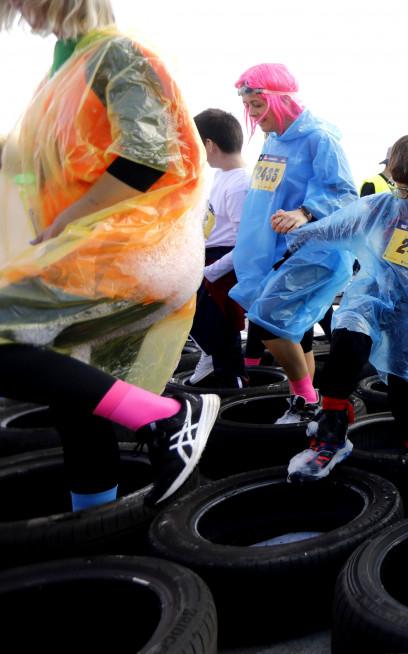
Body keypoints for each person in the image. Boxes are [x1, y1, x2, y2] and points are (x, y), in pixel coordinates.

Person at [0, 0, 215, 508]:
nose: (21, 15)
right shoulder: (63, 71)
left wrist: (65, 220)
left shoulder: (120, 54)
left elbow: (149, 158)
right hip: (90, 257)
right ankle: (95, 527)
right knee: (75, 401)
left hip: (131, 252)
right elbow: (31, 164)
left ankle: (167, 415)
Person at [280, 135, 408, 481]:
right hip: (373, 296)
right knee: (347, 336)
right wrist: (302, 229)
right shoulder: (383, 206)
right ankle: (331, 432)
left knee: (400, 388)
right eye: (400, 190)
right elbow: (336, 225)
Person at [229, 63, 358, 423]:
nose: (254, 116)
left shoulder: (320, 139)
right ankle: (302, 405)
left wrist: (305, 211)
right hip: (276, 251)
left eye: (258, 105)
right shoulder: (272, 142)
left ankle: (309, 398)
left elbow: (344, 194)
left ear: (280, 100)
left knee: (267, 322)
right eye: (249, 107)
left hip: (313, 253)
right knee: (294, 328)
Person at [188, 109, 250, 388]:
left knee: (225, 337)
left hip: (223, 264)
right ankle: (210, 356)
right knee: (208, 326)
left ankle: (234, 387)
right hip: (211, 259)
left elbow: (245, 243)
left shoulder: (239, 184)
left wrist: (212, 271)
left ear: (209, 145)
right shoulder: (222, 176)